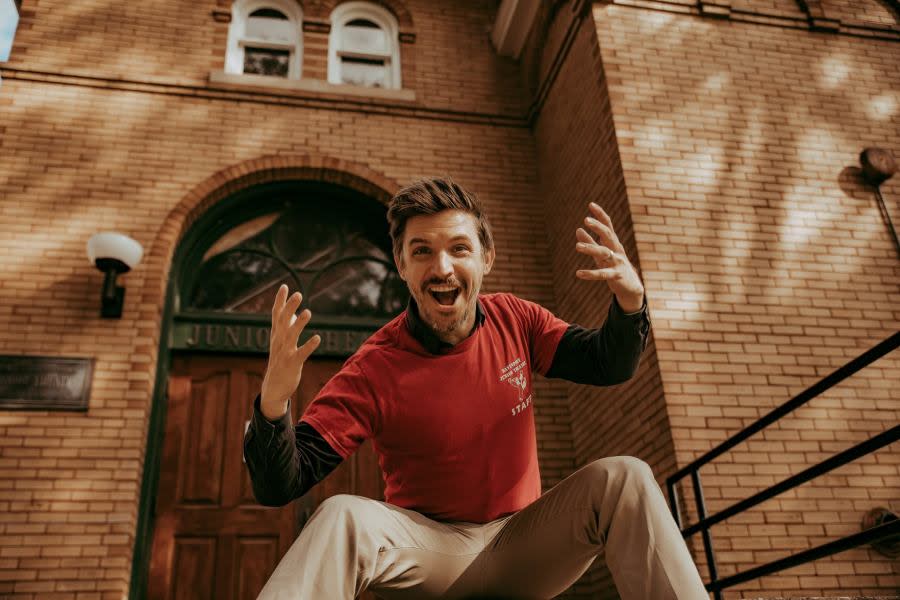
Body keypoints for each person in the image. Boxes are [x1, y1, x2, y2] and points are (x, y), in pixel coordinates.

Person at [243, 177, 707, 599]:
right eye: (422, 251)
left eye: (459, 249)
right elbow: (282, 483)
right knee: (341, 515)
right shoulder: (375, 366)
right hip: (431, 554)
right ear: (402, 265)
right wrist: (273, 402)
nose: (441, 267)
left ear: (486, 258)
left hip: (526, 542)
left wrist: (631, 303)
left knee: (624, 477)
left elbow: (607, 363)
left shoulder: (518, 320)